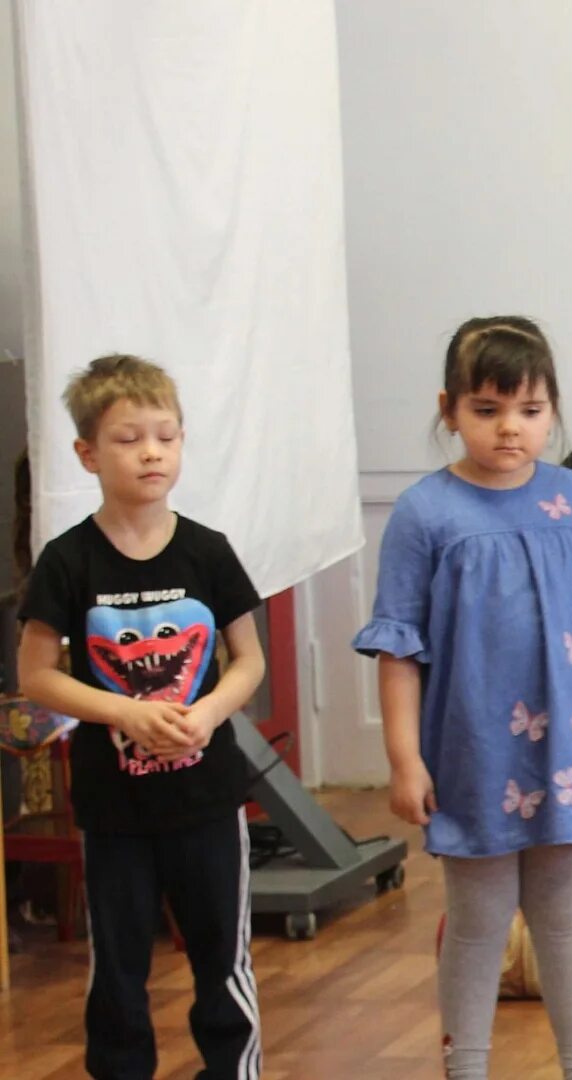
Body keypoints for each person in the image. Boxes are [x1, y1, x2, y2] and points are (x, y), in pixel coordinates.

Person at [353, 317, 572, 1080]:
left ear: (551, 410)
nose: (509, 429)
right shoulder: (425, 512)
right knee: (480, 918)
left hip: (571, 746)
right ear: (449, 408)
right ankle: (467, 1067)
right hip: (473, 751)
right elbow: (397, 647)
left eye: (528, 410)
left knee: (561, 910)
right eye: (486, 410)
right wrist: (403, 760)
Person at [17, 354, 266, 1079]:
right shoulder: (66, 563)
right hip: (113, 809)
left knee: (223, 958)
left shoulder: (208, 552)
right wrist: (124, 710)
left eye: (166, 435)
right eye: (129, 439)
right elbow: (37, 676)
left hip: (208, 802)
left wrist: (210, 711)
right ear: (87, 453)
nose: (152, 452)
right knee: (119, 970)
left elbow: (246, 661)